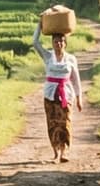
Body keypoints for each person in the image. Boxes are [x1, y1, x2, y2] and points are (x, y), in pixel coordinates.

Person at [31, 18, 86, 163]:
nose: (58, 44)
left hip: (66, 95)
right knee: (52, 123)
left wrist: (79, 97)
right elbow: (35, 43)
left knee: (65, 123)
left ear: (65, 43)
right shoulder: (48, 56)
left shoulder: (71, 59)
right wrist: (39, 24)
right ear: (52, 43)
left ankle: (64, 151)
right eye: (56, 41)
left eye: (61, 41)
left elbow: (76, 79)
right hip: (50, 94)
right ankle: (55, 152)